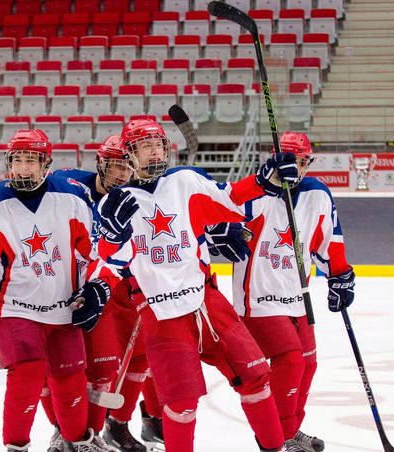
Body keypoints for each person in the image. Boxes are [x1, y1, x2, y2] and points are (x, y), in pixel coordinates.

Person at [95, 118, 299, 452]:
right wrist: (113, 236)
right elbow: (116, 260)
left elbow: (231, 200)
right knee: (181, 401)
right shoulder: (115, 204)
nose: (153, 151)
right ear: (129, 155)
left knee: (256, 377)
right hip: (161, 312)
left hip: (207, 300)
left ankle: (275, 448)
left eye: (158, 144)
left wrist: (266, 180)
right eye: (144, 146)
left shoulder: (186, 181)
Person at [0, 129, 117, 452]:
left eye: (31, 161)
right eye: (18, 161)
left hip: (63, 304)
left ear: (46, 164)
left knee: (70, 379)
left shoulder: (72, 196)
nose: (23, 168)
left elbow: (96, 250)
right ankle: (16, 447)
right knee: (27, 373)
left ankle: (78, 442)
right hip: (13, 305)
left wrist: (96, 286)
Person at [231, 131, 355, 452]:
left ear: (308, 161)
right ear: (275, 157)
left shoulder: (318, 194)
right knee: (290, 362)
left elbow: (329, 241)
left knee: (309, 363)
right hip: (257, 297)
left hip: (296, 296)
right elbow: (230, 211)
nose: (295, 166)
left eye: (300, 160)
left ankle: (289, 430)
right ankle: (278, 439)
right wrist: (267, 183)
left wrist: (339, 276)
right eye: (288, 159)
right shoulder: (256, 190)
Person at [45, 134, 163, 452]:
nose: (122, 175)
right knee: (59, 364)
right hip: (66, 284)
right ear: (101, 163)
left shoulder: (134, 197)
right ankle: (62, 429)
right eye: (115, 167)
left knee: (110, 364)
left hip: (111, 285)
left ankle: (99, 431)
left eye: (128, 168)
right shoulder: (67, 185)